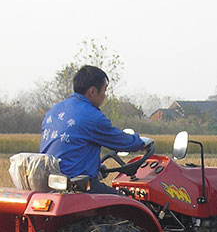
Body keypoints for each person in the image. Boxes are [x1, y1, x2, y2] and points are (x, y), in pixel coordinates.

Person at [39, 65, 153, 194]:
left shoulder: (54, 111)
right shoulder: (91, 116)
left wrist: (96, 167)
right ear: (92, 91)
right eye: (104, 90)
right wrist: (142, 142)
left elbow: (70, 150)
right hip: (77, 187)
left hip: (51, 184)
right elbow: (122, 141)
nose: (105, 96)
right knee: (127, 203)